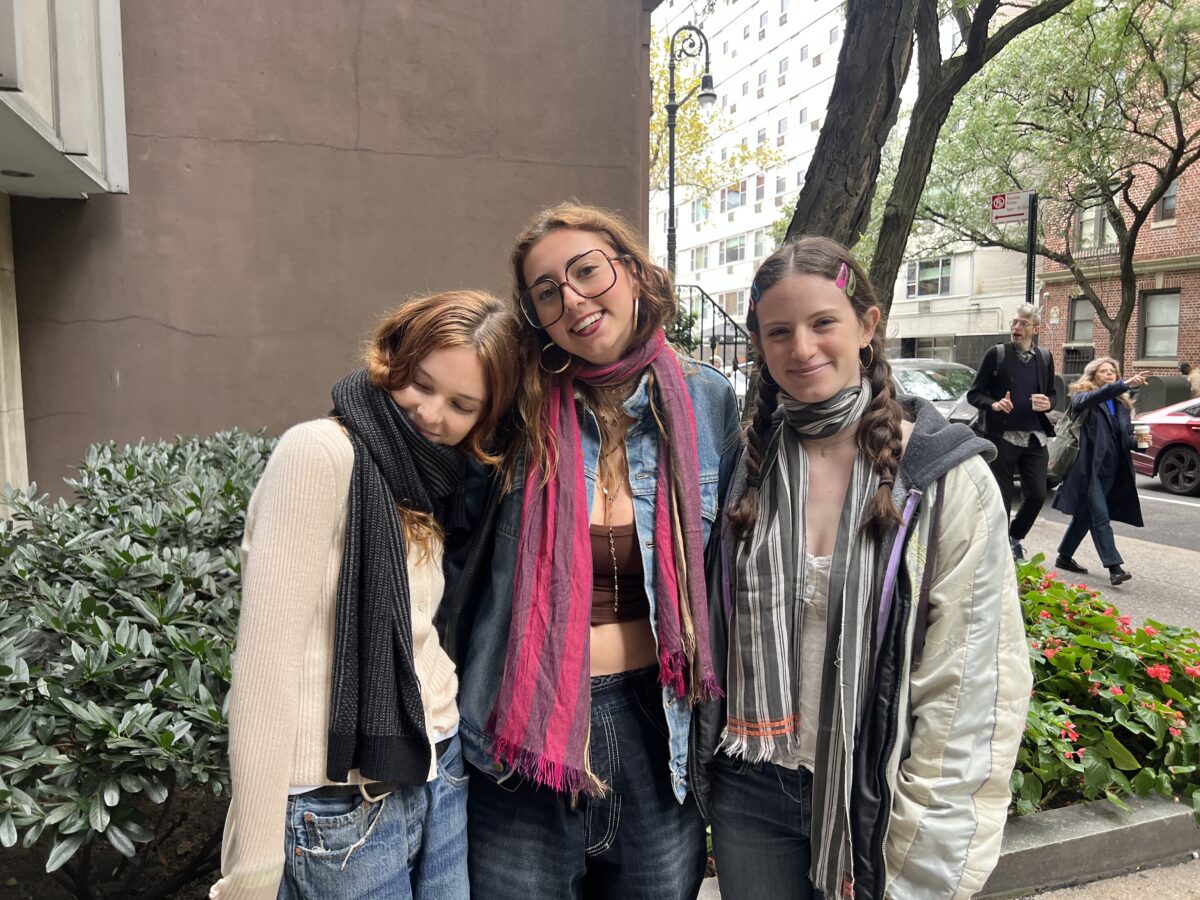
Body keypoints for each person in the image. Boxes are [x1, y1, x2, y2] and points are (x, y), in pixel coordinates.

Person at [694, 238, 1032, 899]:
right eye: (778, 332)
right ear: (760, 345)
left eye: (823, 323)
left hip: (872, 797)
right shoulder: (746, 466)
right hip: (750, 789)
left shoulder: (942, 478)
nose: (802, 348)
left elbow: (969, 679)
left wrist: (918, 845)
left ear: (867, 325)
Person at [458, 203, 741, 900]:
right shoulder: (512, 406)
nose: (574, 300)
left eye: (587, 271)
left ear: (633, 271)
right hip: (523, 732)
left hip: (657, 727)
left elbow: (732, 568)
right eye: (547, 292)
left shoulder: (708, 400)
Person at [211, 291, 519, 900]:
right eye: (421, 384)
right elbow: (265, 664)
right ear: (394, 356)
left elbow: (422, 631)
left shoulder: (434, 476)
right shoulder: (319, 453)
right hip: (335, 805)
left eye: (461, 405)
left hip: (438, 768)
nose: (431, 414)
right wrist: (252, 860)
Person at [965, 304, 1057, 560]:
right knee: (1002, 500)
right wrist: (994, 404)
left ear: (1035, 329)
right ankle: (1000, 551)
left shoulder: (1045, 358)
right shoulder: (997, 354)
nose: (1016, 328)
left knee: (1038, 495)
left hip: (1035, 437)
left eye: (1023, 324)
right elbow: (974, 394)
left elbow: (1052, 394)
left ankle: (1014, 537)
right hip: (1002, 439)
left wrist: (1048, 403)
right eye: (1014, 322)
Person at [1052, 357, 1148, 586]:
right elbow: (1094, 397)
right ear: (1093, 375)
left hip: (1112, 468)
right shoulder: (1083, 397)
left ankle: (1064, 556)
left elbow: (1123, 438)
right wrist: (1123, 384)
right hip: (1087, 468)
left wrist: (1140, 442)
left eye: (1112, 372)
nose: (1109, 374)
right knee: (1100, 516)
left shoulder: (1122, 405)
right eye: (1104, 371)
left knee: (1086, 514)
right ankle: (1114, 567)